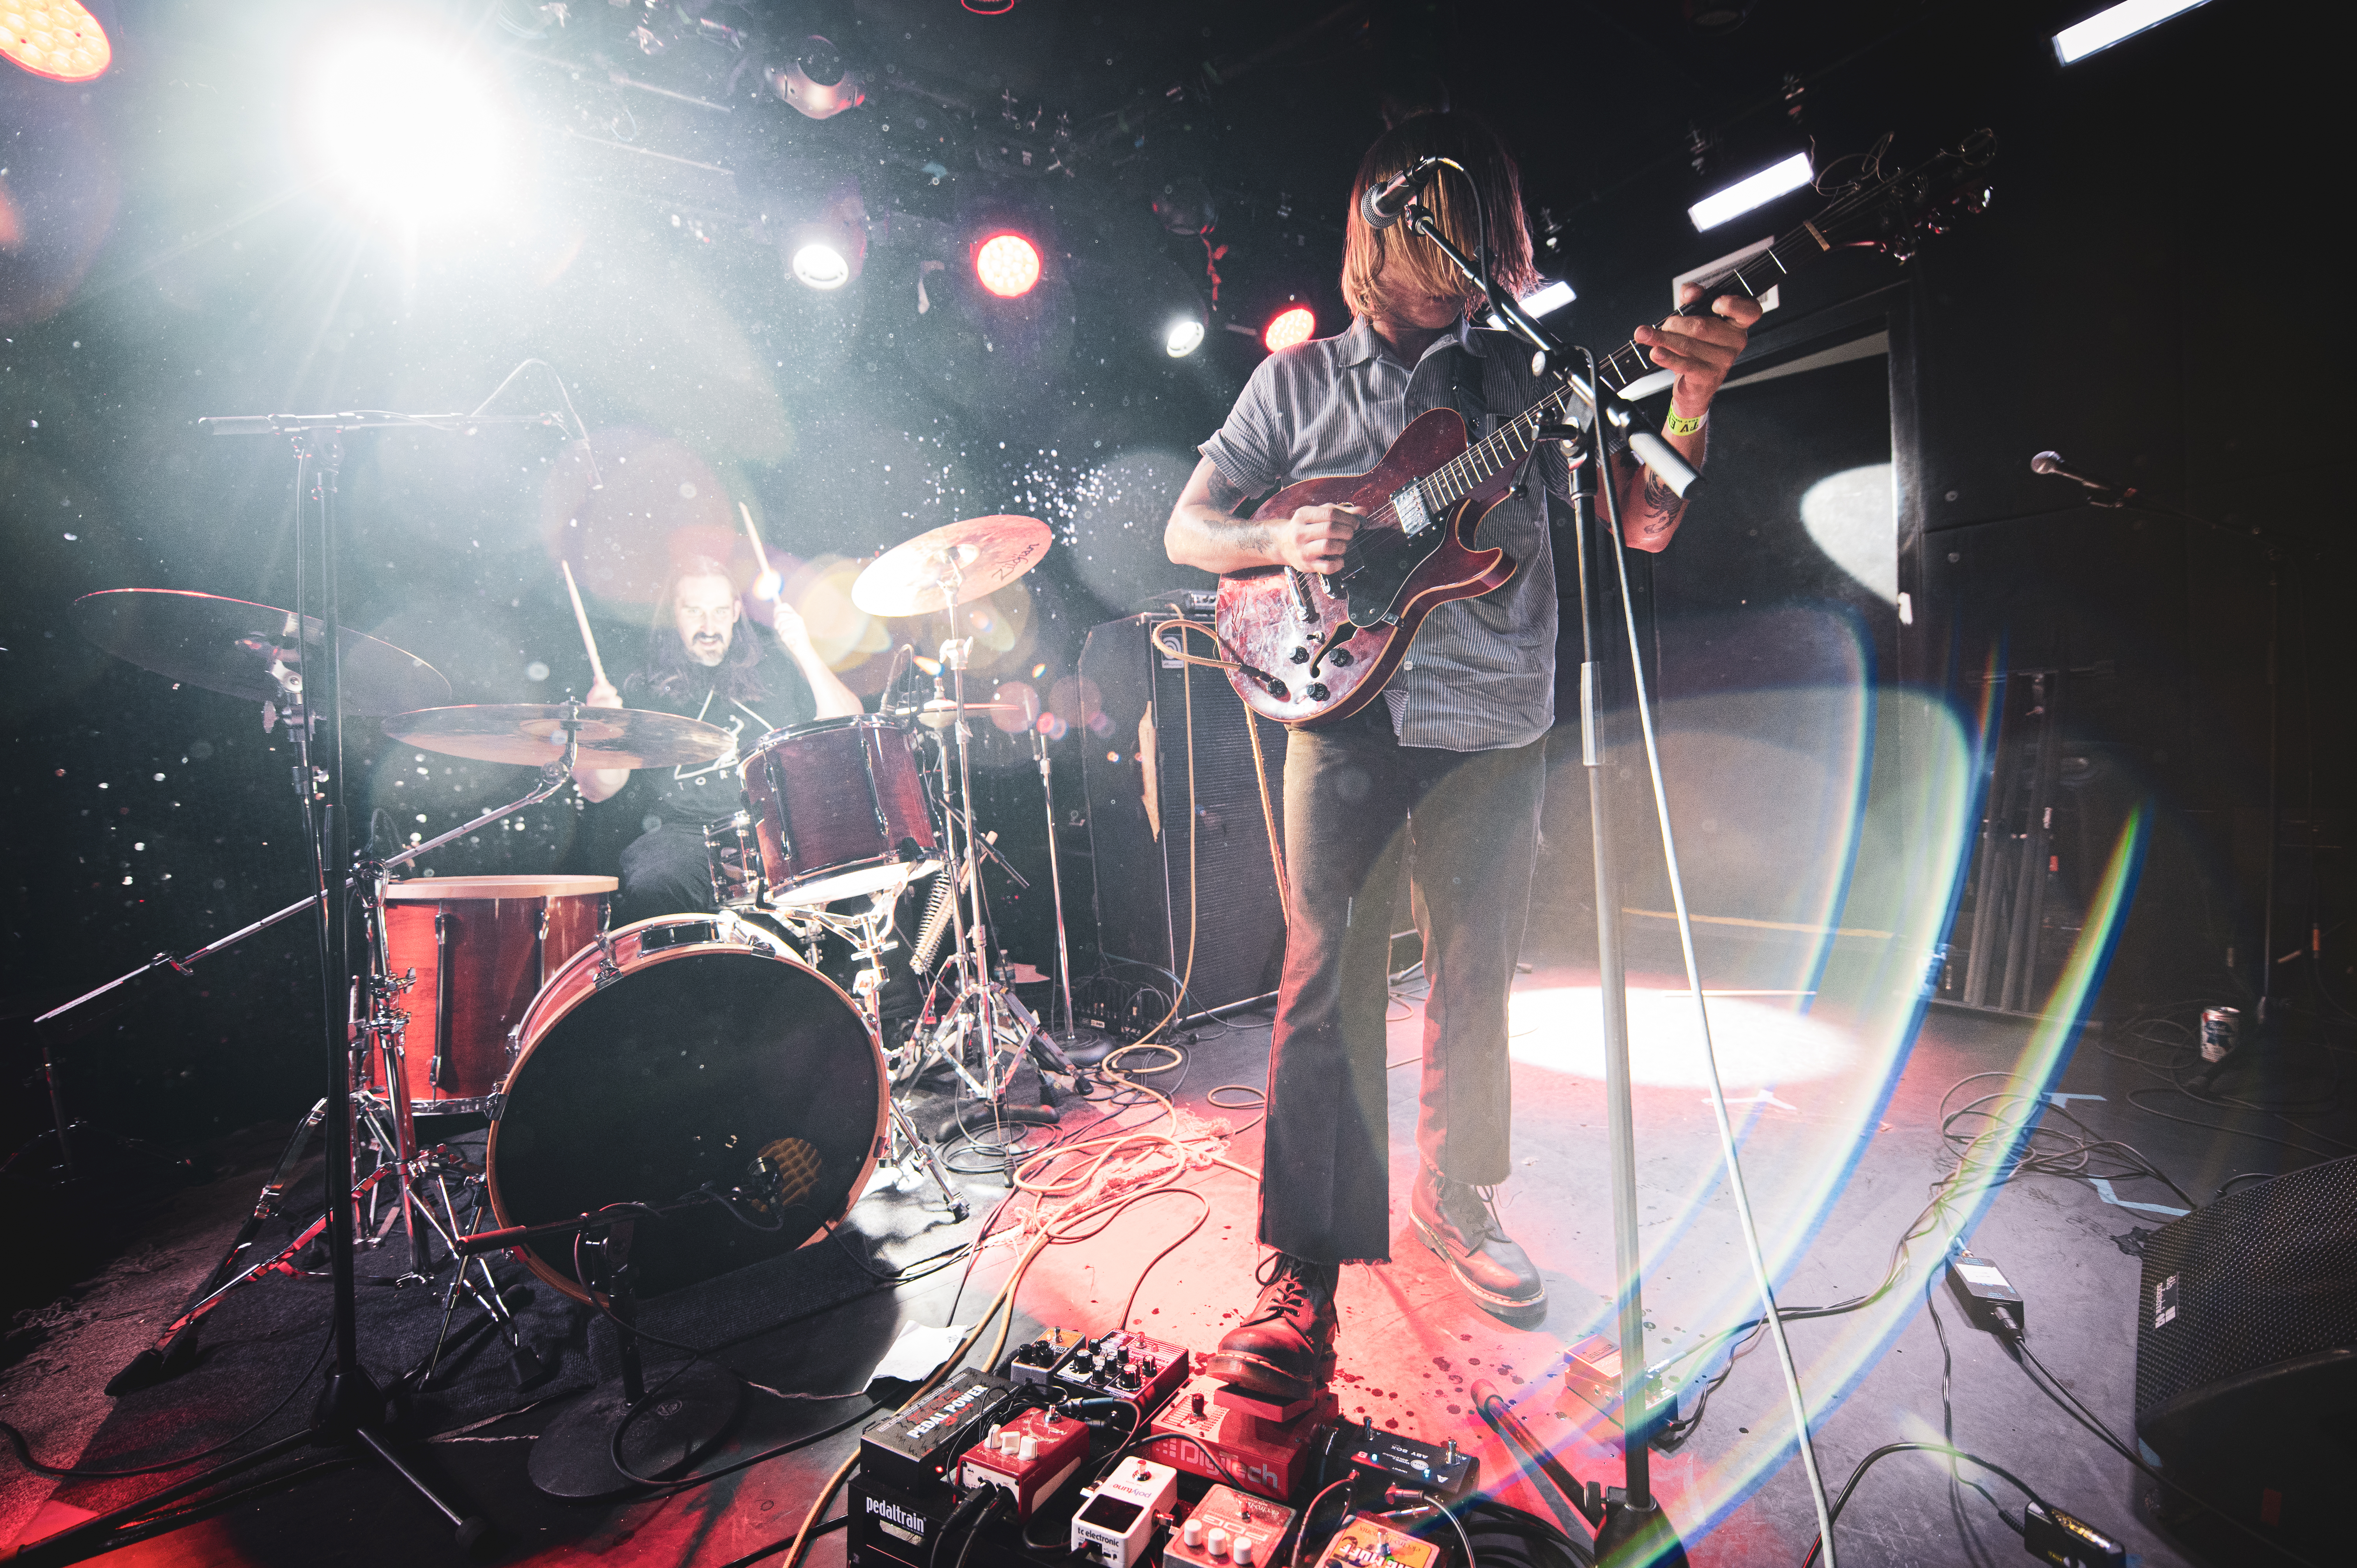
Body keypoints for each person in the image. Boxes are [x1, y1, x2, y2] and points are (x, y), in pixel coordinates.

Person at [1163, 113, 1761, 1400]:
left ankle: (1457, 1194)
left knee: (1475, 976)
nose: (1445, 240)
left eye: (1467, 215)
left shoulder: (1529, 382)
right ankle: (1301, 1271)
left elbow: (1645, 521)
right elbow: (1187, 528)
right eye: (1417, 210)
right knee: (1323, 983)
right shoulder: (1296, 383)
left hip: (1498, 717)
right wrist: (1284, 542)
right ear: (1371, 229)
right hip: (1343, 706)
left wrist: (1694, 400)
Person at [574, 555, 862, 925]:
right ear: (673, 614)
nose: (709, 626)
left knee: (861, 864)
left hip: (781, 827)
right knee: (655, 883)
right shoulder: (641, 685)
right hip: (689, 836)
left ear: (737, 611)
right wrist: (601, 728)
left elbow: (847, 727)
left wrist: (805, 649)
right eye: (694, 612)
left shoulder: (774, 665)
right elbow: (600, 788)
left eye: (720, 611)